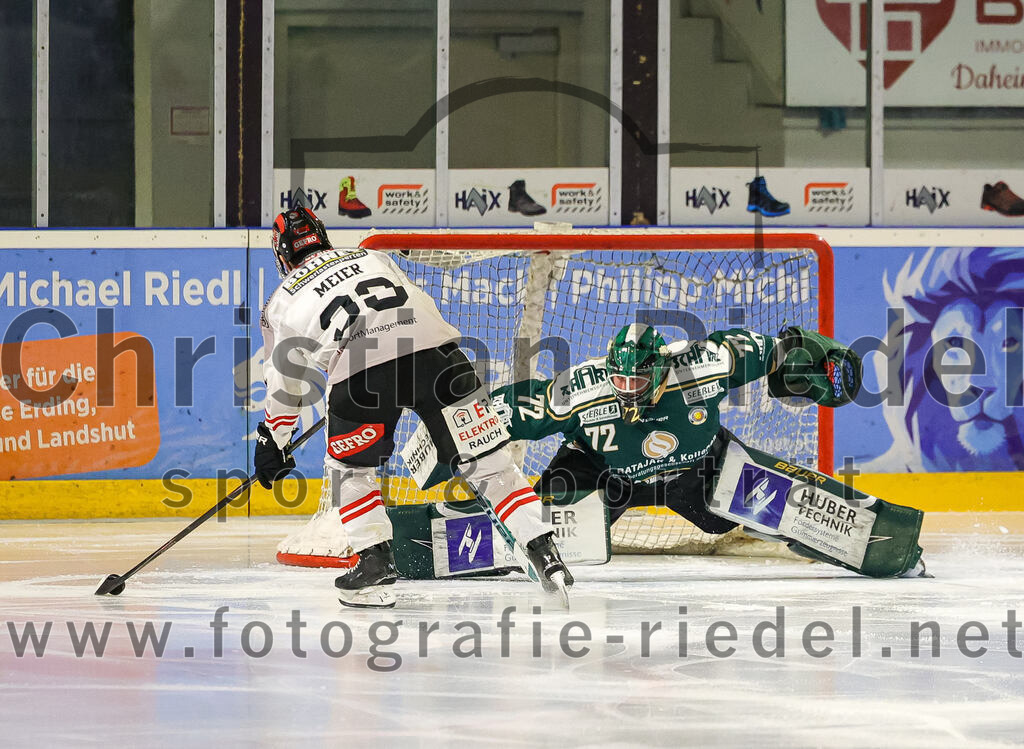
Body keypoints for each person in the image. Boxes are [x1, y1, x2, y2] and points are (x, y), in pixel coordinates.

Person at [253, 207, 573, 607]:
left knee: (350, 471)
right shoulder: (371, 256)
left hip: (361, 378)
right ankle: (545, 553)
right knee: (491, 466)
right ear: (323, 237)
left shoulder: (279, 301)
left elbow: (284, 385)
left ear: (282, 256)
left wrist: (273, 440)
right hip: (441, 360)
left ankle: (374, 563)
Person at [485, 322, 927, 578]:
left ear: (661, 367)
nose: (628, 390)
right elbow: (520, 408)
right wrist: (469, 425)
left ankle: (887, 547)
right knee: (543, 534)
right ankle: (475, 544)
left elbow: (778, 352)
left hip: (696, 472)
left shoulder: (707, 362)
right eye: (620, 380)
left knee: (758, 513)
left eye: (637, 381)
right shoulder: (582, 388)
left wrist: (817, 362)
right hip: (603, 476)